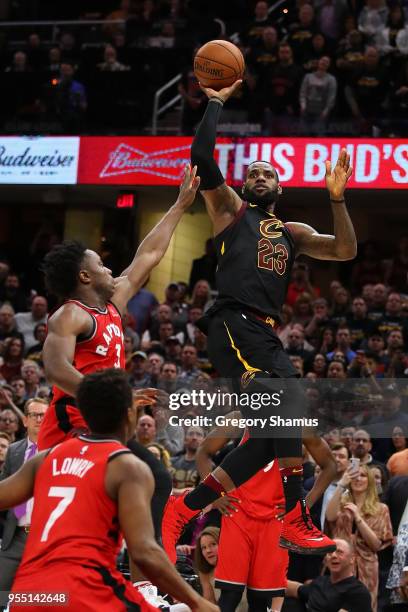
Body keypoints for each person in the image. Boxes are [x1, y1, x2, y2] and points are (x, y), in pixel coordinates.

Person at [162, 79, 357, 560]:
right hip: (233, 323)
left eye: (267, 172)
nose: (259, 175)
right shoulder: (231, 209)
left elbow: (345, 250)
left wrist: (337, 199)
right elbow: (202, 160)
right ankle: (294, 515)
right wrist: (215, 102)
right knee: (283, 413)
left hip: (264, 335)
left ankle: (186, 506)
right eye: (252, 171)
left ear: (281, 186)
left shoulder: (292, 231)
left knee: (273, 437)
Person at [0, 369, 218, 612]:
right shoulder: (127, 466)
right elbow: (144, 551)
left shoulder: (45, 458)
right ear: (129, 415)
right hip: (82, 590)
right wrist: (196, 600)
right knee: (185, 609)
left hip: (28, 594)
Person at [39, 165, 200, 450]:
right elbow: (55, 370)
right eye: (101, 265)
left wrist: (179, 205)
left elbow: (149, 254)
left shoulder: (113, 302)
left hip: (103, 422)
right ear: (85, 277)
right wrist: (113, 396)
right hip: (70, 425)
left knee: (139, 478)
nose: (109, 268)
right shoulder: (71, 314)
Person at [195, 414, 336, 612]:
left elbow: (330, 466)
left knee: (260, 599)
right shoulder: (241, 418)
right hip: (239, 513)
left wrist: (304, 504)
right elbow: (203, 452)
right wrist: (215, 495)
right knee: (230, 595)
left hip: (274, 519)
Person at [325, 464, 393, 610]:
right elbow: (330, 516)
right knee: (336, 605)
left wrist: (358, 517)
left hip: (366, 568)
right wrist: (341, 484)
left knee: (364, 607)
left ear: (369, 481)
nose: (358, 479)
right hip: (341, 565)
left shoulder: (381, 509)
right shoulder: (341, 503)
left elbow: (376, 545)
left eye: (363, 475)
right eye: (355, 475)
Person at [0, 398, 48, 591]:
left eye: (43, 415)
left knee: (41, 598)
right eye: (33, 415)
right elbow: (3, 490)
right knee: (2, 593)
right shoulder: (13, 450)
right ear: (25, 420)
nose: (38, 419)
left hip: (44, 538)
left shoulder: (58, 450)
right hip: (15, 536)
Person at [286, 538, 373, 611]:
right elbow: (295, 588)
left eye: (339, 552)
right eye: (330, 553)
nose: (333, 555)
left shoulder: (358, 592)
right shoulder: (320, 582)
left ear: (352, 559)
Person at [194, 527, 220, 604]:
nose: (208, 550)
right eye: (204, 548)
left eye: (213, 544)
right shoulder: (205, 572)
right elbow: (209, 603)